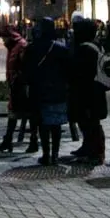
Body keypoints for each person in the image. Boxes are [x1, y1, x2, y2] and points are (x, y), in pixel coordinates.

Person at [26, 19, 72, 166]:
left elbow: (26, 71)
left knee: (43, 124)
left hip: (39, 91)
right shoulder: (60, 48)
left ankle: (46, 154)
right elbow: (67, 70)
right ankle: (55, 154)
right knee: (56, 124)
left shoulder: (32, 48)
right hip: (57, 90)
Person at [67, 17, 108, 167]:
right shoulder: (95, 46)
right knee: (88, 123)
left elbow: (79, 72)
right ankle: (88, 148)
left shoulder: (86, 49)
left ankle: (96, 153)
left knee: (91, 123)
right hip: (94, 92)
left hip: (88, 93)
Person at [0, 25, 33, 153]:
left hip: (21, 86)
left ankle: (32, 141)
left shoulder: (20, 46)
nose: (2, 41)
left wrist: (18, 77)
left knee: (27, 113)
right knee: (13, 113)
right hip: (16, 85)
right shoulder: (12, 46)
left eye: (3, 38)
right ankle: (8, 140)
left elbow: (25, 65)